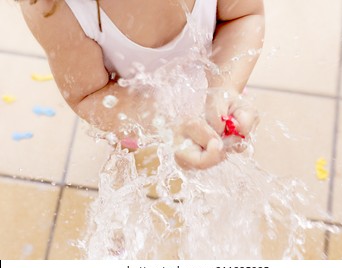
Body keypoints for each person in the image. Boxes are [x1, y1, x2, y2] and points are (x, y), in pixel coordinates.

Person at [18, 0, 264, 170]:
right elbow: (90, 94)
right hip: (128, 102)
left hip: (214, 68)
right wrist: (165, 122)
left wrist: (225, 86)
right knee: (127, 151)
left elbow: (243, 16)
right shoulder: (55, 9)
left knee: (222, 111)